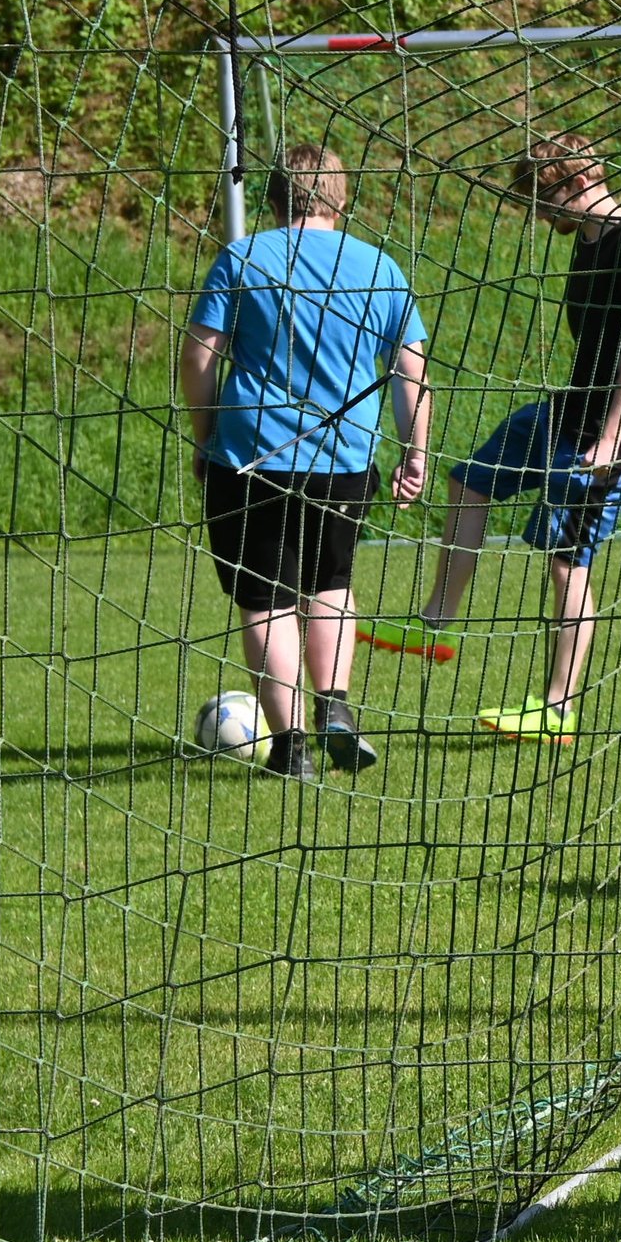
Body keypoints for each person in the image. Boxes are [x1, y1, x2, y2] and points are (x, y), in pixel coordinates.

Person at [362, 134, 621, 746]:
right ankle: (434, 624)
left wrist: (616, 438)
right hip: (569, 412)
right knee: (469, 479)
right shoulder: (589, 242)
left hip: (604, 437)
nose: (538, 215)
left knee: (566, 563)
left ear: (578, 182)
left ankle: (557, 709)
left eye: (542, 200)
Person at [181, 144, 428, 781]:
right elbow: (410, 371)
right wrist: (415, 453)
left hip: (251, 456)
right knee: (331, 586)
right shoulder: (381, 267)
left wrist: (206, 438)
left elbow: (199, 357)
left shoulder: (242, 258)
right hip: (343, 461)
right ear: (340, 200)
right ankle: (335, 708)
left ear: (273, 199)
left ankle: (291, 750)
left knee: (265, 600)